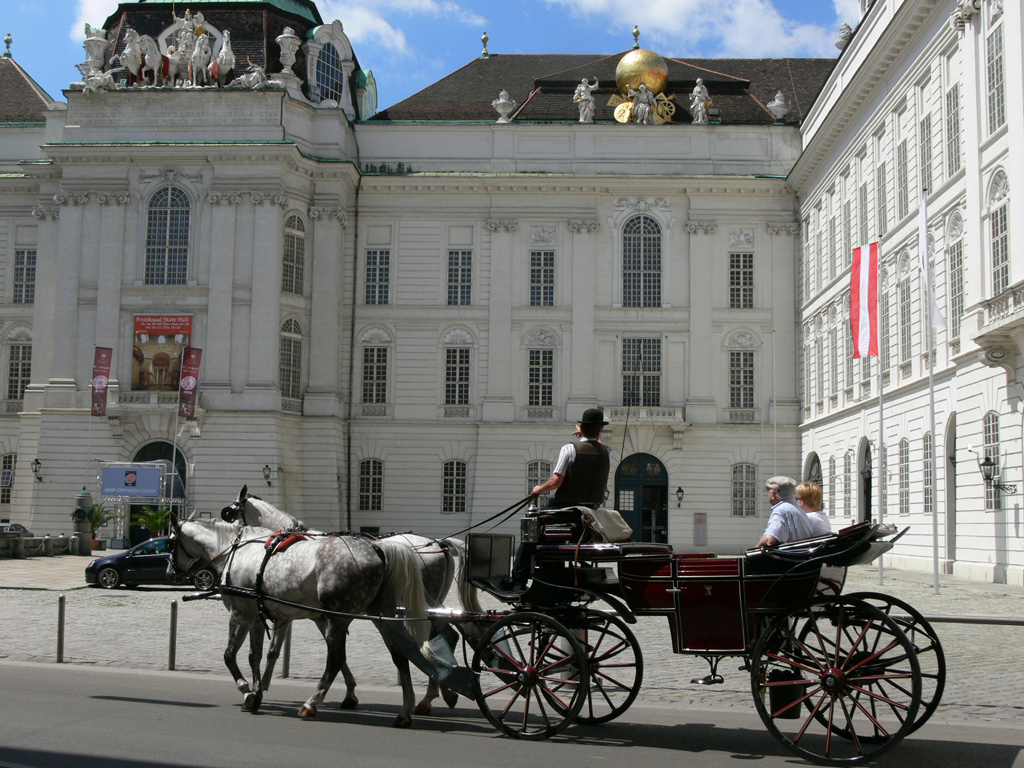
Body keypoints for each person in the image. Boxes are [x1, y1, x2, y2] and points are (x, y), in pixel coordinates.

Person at [507, 408, 611, 589]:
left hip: (565, 512)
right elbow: (598, 443)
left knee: (530, 527)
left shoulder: (570, 448)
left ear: (582, 429)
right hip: (589, 515)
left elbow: (556, 481)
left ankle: (518, 579)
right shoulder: (606, 451)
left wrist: (539, 489)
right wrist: (590, 433)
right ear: (600, 430)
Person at [756, 475, 820, 548]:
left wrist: (756, 549)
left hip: (791, 557)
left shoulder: (781, 510)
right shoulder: (798, 509)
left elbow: (770, 540)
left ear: (773, 494)